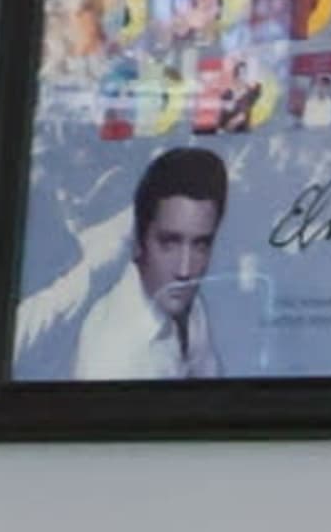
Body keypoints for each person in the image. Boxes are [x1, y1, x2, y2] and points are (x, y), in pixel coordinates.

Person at [12, 139, 231, 378]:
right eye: (169, 242)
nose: (185, 270)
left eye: (201, 244)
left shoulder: (186, 304)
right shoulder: (115, 358)